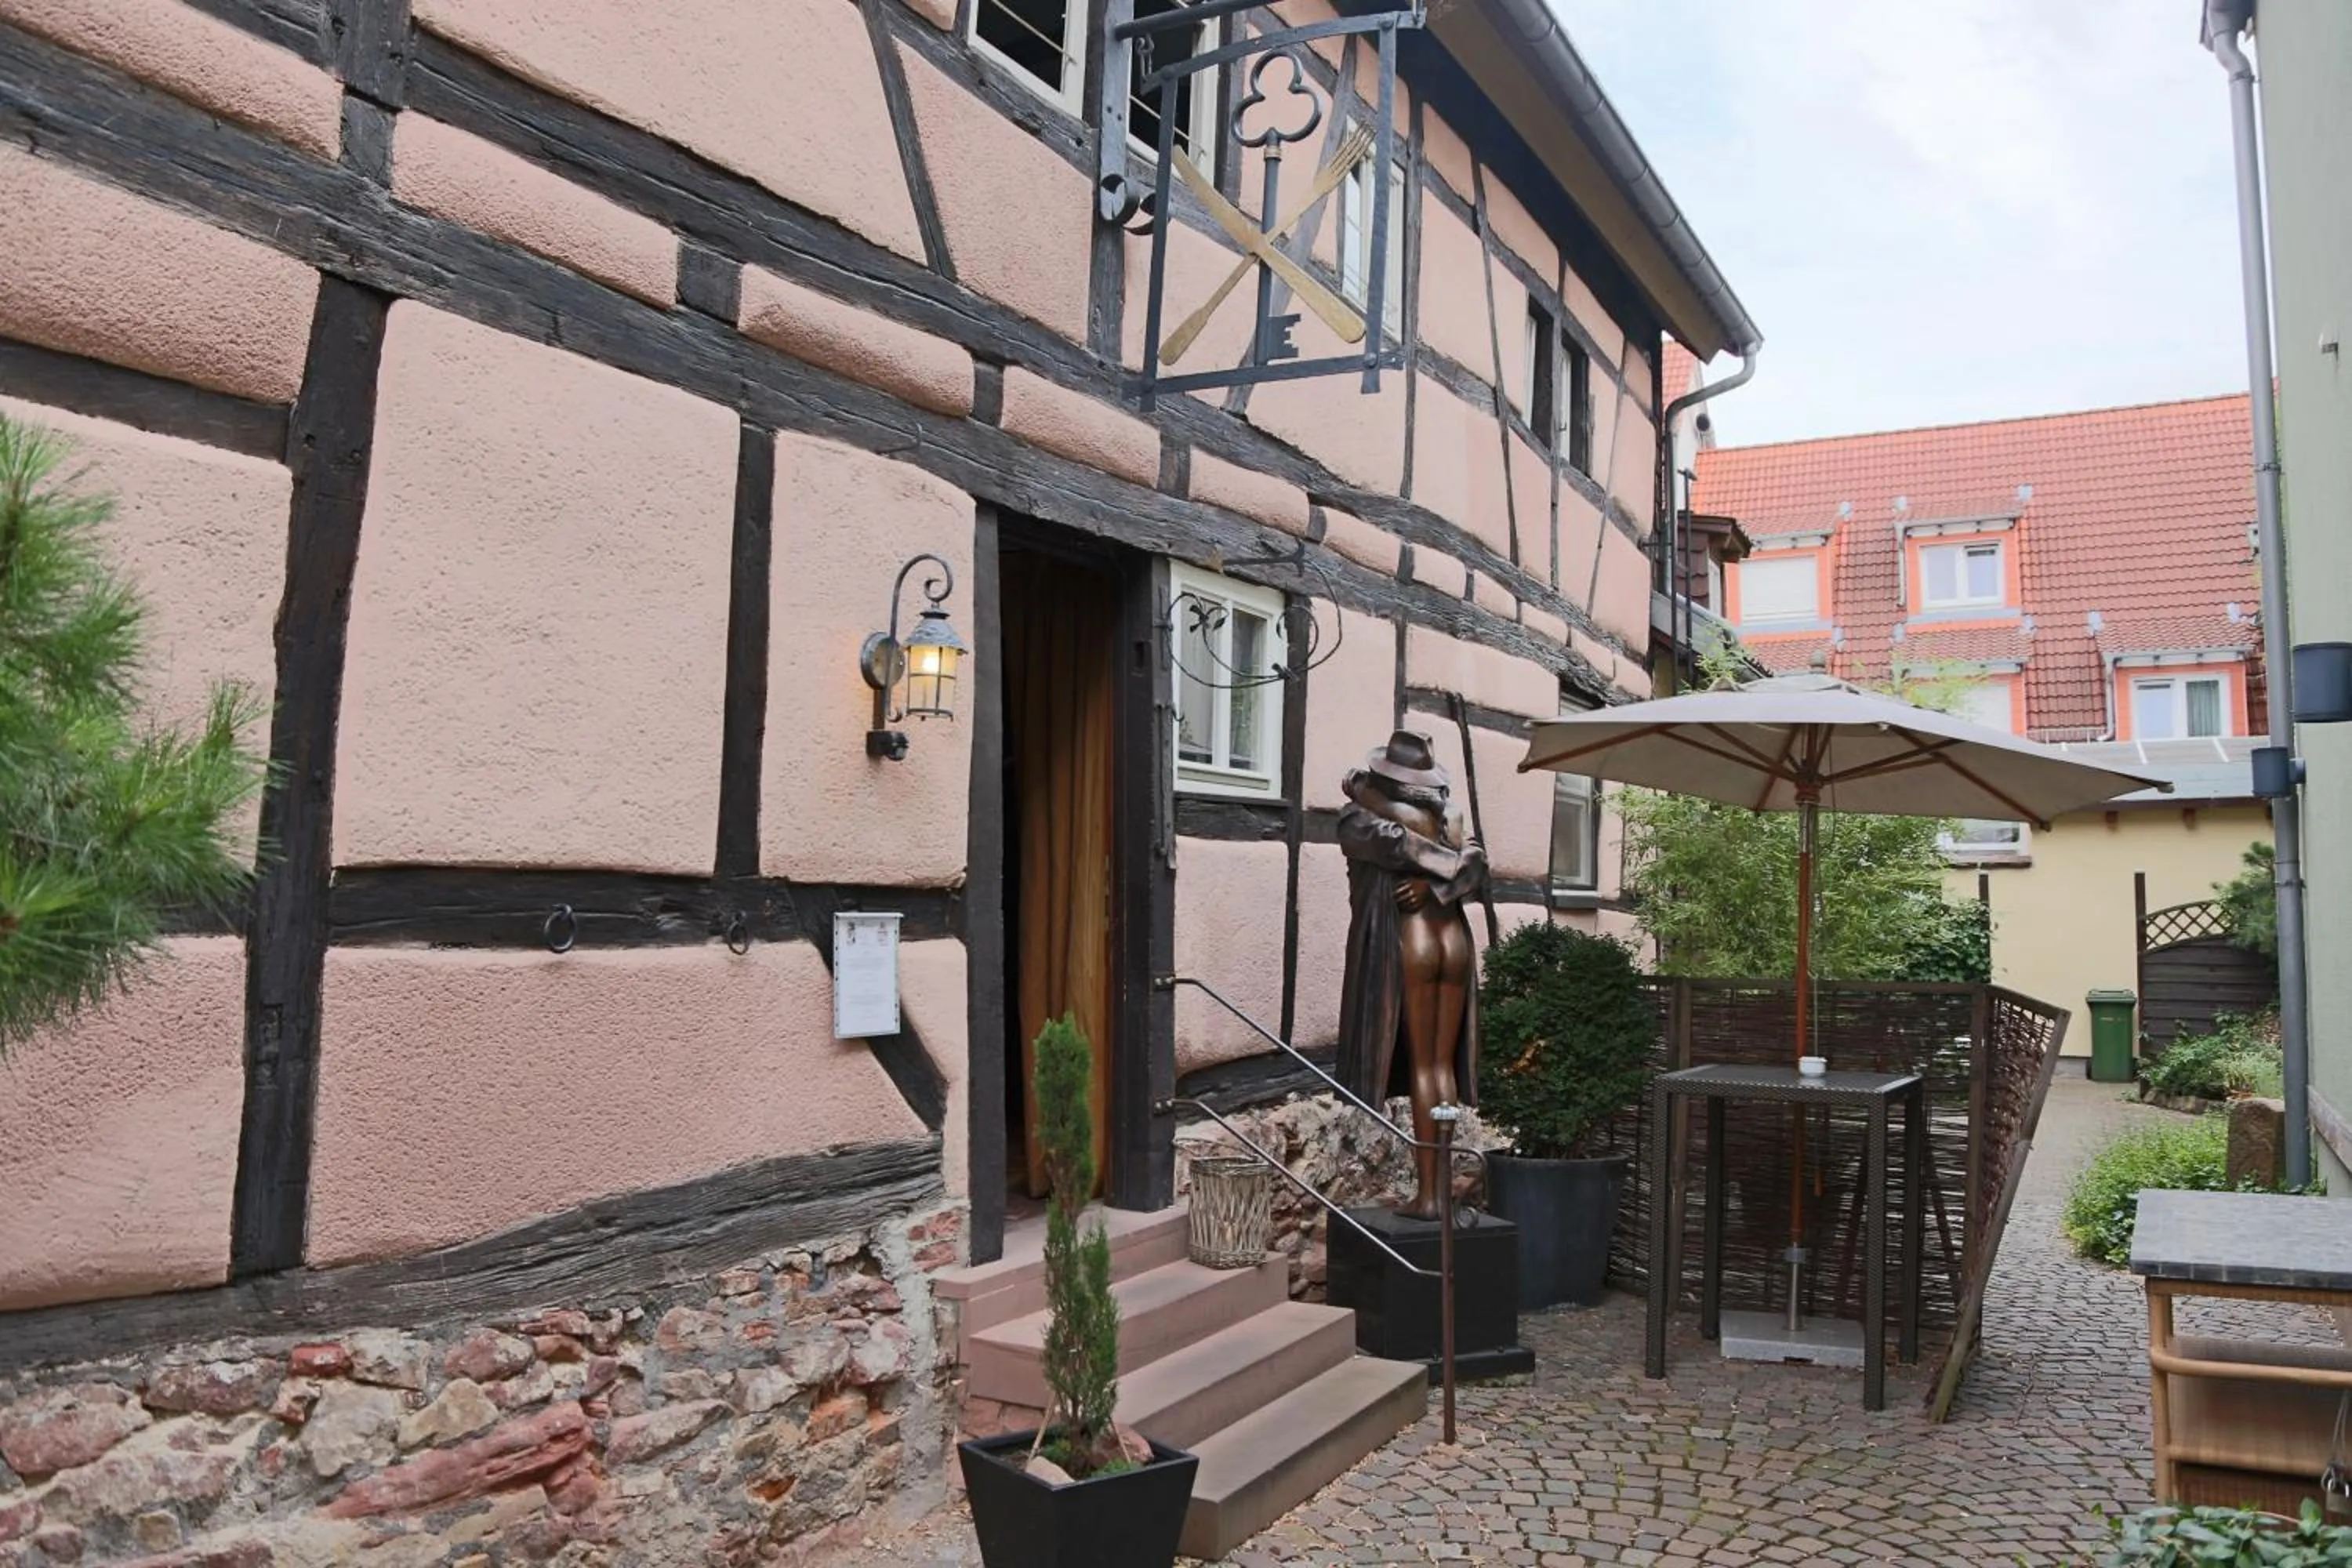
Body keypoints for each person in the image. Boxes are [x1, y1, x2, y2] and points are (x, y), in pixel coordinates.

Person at [1334, 731, 1486, 1219]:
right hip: (1455, 942)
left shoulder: (1363, 817)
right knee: (1441, 1068)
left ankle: (1430, 1196)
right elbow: (1475, 866)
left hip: (1413, 941)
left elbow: (1398, 845)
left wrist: (1425, 885)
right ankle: (1438, 1189)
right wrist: (1442, 887)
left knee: (1425, 1068)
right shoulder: (1454, 819)